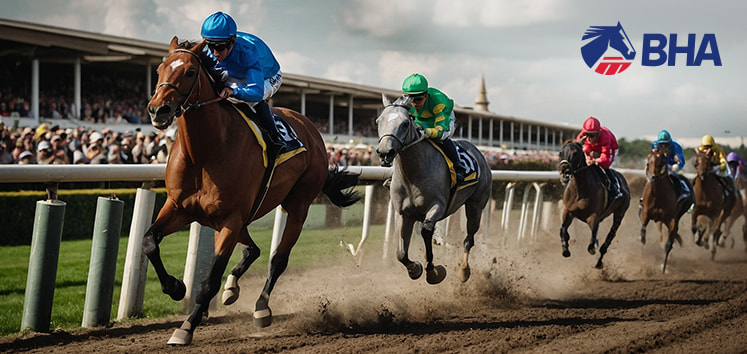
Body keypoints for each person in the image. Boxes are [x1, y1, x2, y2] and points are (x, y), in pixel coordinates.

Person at [201, 11, 287, 158]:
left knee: (250, 101)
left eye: (220, 47)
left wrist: (234, 92)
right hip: (236, 72)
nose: (215, 53)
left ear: (232, 42)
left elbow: (256, 92)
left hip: (268, 76)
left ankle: (275, 140)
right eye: (210, 46)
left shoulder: (248, 53)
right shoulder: (210, 51)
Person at [401, 73, 467, 182]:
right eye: (410, 99)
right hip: (422, 119)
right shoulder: (406, 104)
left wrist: (427, 132)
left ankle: (458, 166)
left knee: (441, 138)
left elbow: (441, 130)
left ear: (426, 95)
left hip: (443, 119)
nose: (414, 103)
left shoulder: (438, 101)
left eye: (418, 99)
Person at [575, 116, 621, 199]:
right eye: (586, 135)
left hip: (610, 148)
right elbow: (577, 143)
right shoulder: (585, 133)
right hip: (595, 147)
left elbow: (605, 160)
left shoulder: (605, 137)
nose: (588, 138)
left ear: (598, 133)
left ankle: (615, 187)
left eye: (591, 136)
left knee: (604, 167)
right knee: (585, 150)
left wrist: (596, 161)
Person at [650, 130, 690, 203]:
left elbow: (681, 160)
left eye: (666, 144)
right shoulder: (655, 145)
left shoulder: (676, 146)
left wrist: (677, 165)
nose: (663, 146)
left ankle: (681, 194)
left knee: (674, 177)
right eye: (661, 144)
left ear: (670, 142)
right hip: (659, 167)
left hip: (671, 168)